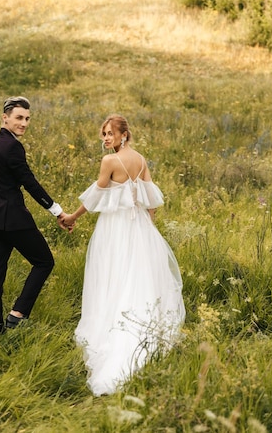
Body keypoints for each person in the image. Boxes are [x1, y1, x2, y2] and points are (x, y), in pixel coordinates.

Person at [62, 114, 185, 396]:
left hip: (115, 228)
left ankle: (112, 328)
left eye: (109, 134)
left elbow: (96, 196)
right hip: (140, 228)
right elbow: (151, 200)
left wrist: (73, 217)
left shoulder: (109, 162)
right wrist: (150, 228)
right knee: (136, 275)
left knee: (112, 273)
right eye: (103, 134)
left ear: (123, 135)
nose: (105, 139)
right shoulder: (141, 160)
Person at [0, 96, 71, 335]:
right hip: (14, 221)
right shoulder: (13, 147)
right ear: (5, 118)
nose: (24, 123)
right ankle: (18, 314)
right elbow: (29, 183)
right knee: (44, 261)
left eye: (27, 119)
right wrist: (57, 211)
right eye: (19, 118)